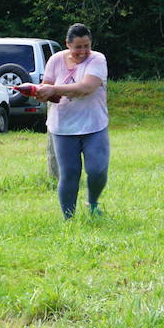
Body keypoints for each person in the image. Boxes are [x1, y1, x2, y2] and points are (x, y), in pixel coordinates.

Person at [35, 24, 110, 219]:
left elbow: (87, 87)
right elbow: (47, 88)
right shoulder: (55, 60)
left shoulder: (98, 59)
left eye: (87, 46)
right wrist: (42, 93)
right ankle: (69, 218)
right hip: (63, 127)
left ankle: (92, 202)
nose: (83, 51)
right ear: (67, 44)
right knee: (69, 174)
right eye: (78, 47)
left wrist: (55, 90)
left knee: (97, 169)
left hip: (94, 124)